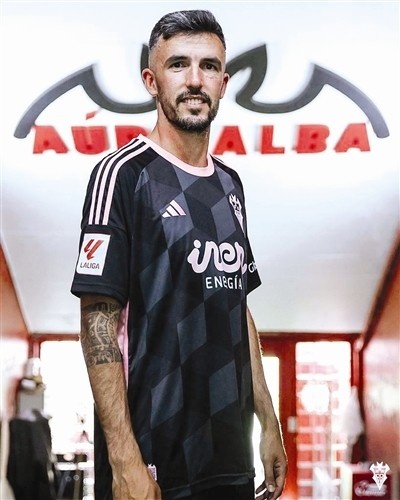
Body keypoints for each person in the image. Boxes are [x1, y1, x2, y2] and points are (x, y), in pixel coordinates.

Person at [71, 9, 287, 500]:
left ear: (224, 83)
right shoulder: (122, 175)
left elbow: (236, 306)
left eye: (209, 66)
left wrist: (268, 420)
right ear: (151, 80)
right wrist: (124, 461)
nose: (194, 80)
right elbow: (97, 318)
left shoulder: (230, 184)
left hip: (229, 457)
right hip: (153, 459)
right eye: (178, 65)